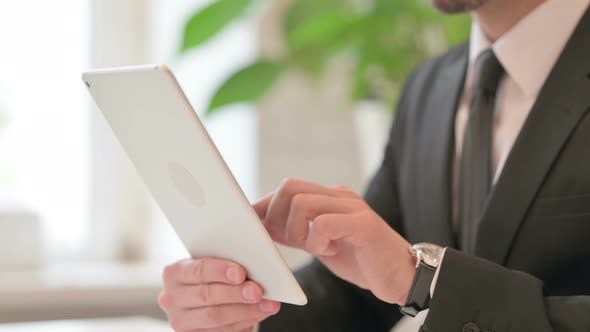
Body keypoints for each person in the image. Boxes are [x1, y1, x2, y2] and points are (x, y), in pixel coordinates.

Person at [158, 0, 590, 330]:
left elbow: (410, 279)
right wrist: (245, 311)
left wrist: (423, 280)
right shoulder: (430, 88)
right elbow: (363, 290)